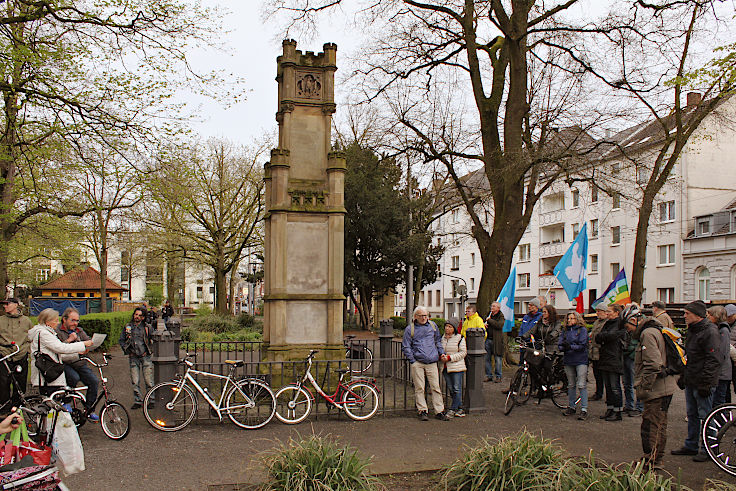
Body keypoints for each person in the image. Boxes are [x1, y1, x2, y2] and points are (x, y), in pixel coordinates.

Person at [623, 304, 678, 469]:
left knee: (650, 427)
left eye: (628, 327)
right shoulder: (656, 329)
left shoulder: (648, 334)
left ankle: (650, 461)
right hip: (666, 387)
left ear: (634, 320)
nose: (629, 331)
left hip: (657, 390)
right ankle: (656, 459)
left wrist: (644, 387)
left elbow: (654, 364)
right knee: (660, 425)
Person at [671, 300, 720, 462]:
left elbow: (713, 360)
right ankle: (691, 445)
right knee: (692, 414)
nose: (684, 316)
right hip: (692, 379)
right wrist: (684, 375)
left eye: (687, 314)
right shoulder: (693, 330)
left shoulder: (710, 332)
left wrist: (706, 383)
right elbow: (689, 356)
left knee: (706, 417)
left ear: (697, 316)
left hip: (703, 382)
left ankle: (709, 449)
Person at [28, 309, 93, 395]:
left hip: (48, 369)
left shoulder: (46, 332)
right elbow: (61, 348)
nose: (58, 323)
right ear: (48, 322)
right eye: (56, 320)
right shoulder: (44, 334)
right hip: (47, 370)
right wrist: (82, 344)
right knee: (51, 398)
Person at [402, 306, 448, 421]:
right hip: (418, 362)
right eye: (421, 315)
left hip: (432, 361)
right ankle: (422, 410)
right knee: (419, 388)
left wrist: (441, 353)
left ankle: (439, 411)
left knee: (436, 387)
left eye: (426, 315)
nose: (424, 318)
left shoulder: (433, 326)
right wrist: (412, 360)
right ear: (415, 316)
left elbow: (437, 341)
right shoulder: (410, 329)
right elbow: (406, 345)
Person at [55, 307, 99, 421]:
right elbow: (56, 348)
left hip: (79, 362)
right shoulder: (57, 331)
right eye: (72, 320)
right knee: (73, 378)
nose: (75, 323)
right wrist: (69, 340)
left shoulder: (79, 330)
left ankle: (89, 410)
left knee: (94, 381)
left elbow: (88, 341)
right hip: (65, 362)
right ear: (64, 319)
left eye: (77, 320)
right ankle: (66, 403)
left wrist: (87, 348)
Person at [120, 307, 154, 409]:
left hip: (145, 356)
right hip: (133, 356)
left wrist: (150, 350)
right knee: (135, 380)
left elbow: (153, 338)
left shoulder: (147, 327)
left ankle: (151, 399)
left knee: (149, 380)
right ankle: (138, 400)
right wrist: (126, 350)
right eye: (136, 314)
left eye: (139, 315)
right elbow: (121, 340)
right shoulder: (128, 327)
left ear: (143, 317)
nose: (137, 317)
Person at [595, 303, 625, 421]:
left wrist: (604, 337)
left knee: (614, 386)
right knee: (608, 386)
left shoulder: (619, 324)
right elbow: (598, 337)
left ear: (616, 313)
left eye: (609, 311)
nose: (607, 313)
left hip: (614, 358)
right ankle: (610, 408)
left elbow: (610, 336)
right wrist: (603, 336)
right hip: (605, 358)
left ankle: (617, 411)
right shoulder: (607, 323)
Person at [0, 298, 32, 410]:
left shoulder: (26, 321)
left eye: (7, 304)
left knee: (20, 383)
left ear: (16, 305)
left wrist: (27, 350)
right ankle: (4, 408)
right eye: (3, 304)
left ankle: (17, 407)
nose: (5, 306)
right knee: (3, 383)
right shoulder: (1, 320)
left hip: (21, 355)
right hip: (4, 355)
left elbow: (31, 337)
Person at [558, 311, 589, 420]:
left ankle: (584, 408)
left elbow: (582, 344)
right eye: (568, 319)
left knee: (581, 384)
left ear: (577, 319)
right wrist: (564, 347)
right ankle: (572, 406)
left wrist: (570, 347)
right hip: (569, 360)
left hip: (580, 359)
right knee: (571, 384)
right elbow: (560, 343)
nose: (570, 320)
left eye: (572, 318)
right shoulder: (565, 330)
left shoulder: (582, 330)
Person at [440, 318, 467, 418]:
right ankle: (460, 408)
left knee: (456, 388)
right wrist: (441, 356)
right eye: (446, 326)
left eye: (450, 327)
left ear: (454, 328)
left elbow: (463, 352)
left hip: (456, 366)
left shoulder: (460, 338)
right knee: (451, 388)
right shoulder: (442, 338)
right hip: (445, 367)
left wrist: (450, 358)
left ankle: (453, 408)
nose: (447, 328)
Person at [707, 305, 731, 406]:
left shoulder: (723, 330)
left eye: (710, 315)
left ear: (716, 316)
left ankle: (723, 421)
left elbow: (722, 352)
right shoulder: (718, 329)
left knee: (718, 401)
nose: (707, 317)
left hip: (722, 373)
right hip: (720, 372)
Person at [588, 305, 607, 401]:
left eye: (600, 311)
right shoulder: (596, 322)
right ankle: (598, 392)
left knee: (604, 375)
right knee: (597, 374)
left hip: (601, 352)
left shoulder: (607, 323)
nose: (598, 313)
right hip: (594, 352)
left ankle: (605, 393)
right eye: (597, 311)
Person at [485, 302, 505, 383]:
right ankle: (488, 375)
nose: (492, 307)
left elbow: (499, 325)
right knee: (487, 359)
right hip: (488, 339)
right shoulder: (489, 315)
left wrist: (489, 321)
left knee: (498, 359)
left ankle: (498, 376)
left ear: (498, 308)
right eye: (491, 306)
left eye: (494, 306)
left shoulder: (501, 317)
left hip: (496, 341)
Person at [518, 298, 543, 363]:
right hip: (524, 343)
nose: (529, 307)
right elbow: (521, 328)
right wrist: (520, 337)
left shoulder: (540, 317)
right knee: (522, 362)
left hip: (534, 344)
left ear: (537, 306)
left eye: (532, 305)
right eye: (529, 305)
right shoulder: (526, 317)